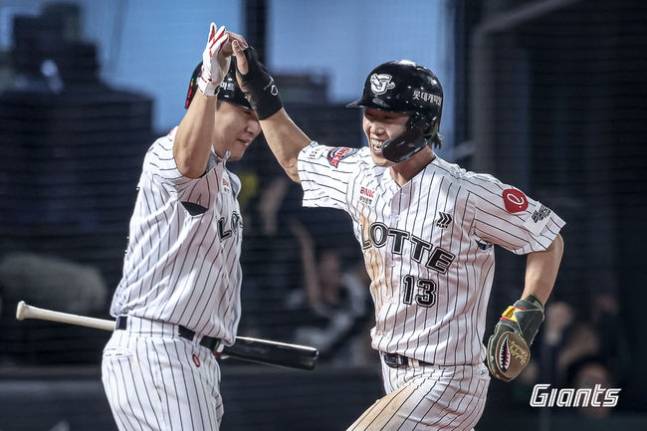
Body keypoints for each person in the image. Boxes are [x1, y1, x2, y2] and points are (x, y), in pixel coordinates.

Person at [232, 41, 565, 430]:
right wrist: (259, 89)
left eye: (387, 116)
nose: (373, 126)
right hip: (394, 373)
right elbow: (296, 160)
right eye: (370, 113)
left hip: (448, 378)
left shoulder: (465, 192)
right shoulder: (360, 174)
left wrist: (527, 310)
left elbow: (546, 237)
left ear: (422, 122)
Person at [101, 23, 260, 430]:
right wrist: (210, 79)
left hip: (190, 355)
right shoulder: (165, 153)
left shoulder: (228, 183)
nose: (254, 127)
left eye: (257, 115)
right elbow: (189, 162)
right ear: (208, 104)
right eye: (244, 112)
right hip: (160, 350)